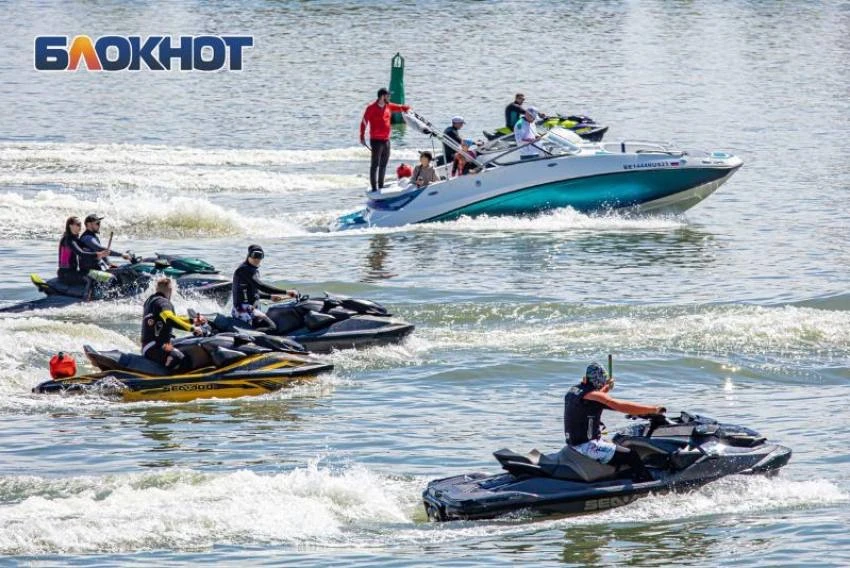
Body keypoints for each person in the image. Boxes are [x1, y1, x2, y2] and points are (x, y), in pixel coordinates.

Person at [563, 362, 665, 483]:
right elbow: (620, 406)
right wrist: (653, 409)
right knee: (631, 455)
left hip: (574, 444)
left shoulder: (574, 391)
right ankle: (647, 483)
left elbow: (594, 399)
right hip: (587, 447)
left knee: (618, 444)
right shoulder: (593, 395)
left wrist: (606, 389)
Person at [141, 277, 205, 372]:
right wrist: (192, 329)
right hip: (156, 347)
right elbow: (169, 319)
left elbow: (172, 318)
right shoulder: (163, 302)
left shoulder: (151, 301)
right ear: (171, 290)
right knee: (182, 359)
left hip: (150, 347)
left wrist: (192, 321)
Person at [231, 245, 296, 331]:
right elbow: (261, 286)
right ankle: (250, 335)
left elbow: (253, 292)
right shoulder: (244, 270)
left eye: (260, 256)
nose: (257, 259)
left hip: (251, 308)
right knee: (272, 327)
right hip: (243, 309)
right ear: (249, 255)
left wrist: (269, 297)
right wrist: (286, 292)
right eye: (255, 255)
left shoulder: (252, 269)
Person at [360, 88, 411, 191]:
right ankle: (374, 188)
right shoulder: (371, 108)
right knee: (375, 165)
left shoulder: (388, 106)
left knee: (383, 164)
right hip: (376, 140)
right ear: (382, 96)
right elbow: (364, 122)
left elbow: (399, 107)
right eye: (388, 95)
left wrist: (405, 108)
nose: (389, 97)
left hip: (386, 140)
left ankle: (381, 186)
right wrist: (362, 136)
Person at [57, 216, 109, 286]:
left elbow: (90, 249)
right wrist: (98, 254)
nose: (80, 227)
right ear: (70, 226)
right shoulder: (69, 240)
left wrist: (107, 262)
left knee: (104, 277)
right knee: (91, 278)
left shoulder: (75, 239)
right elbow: (81, 253)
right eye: (78, 224)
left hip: (73, 272)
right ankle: (88, 293)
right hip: (66, 274)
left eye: (80, 225)